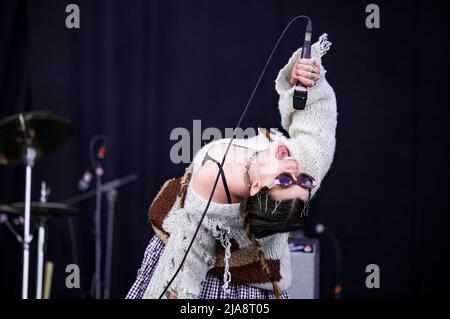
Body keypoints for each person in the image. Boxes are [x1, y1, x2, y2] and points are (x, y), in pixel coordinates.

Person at [126, 33, 337, 299]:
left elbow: (184, 266)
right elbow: (319, 133)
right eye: (303, 180)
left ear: (257, 187)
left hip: (222, 289)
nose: (295, 166)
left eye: (285, 179)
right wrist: (310, 81)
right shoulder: (295, 173)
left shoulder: (214, 184)